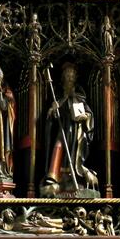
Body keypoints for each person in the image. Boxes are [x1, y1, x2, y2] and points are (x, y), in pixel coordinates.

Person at [42, 63, 95, 196]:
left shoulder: (80, 94)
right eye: (67, 75)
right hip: (62, 128)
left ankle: (73, 177)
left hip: (76, 130)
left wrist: (85, 116)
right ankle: (54, 176)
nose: (70, 77)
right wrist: (54, 110)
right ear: (63, 77)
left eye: (72, 75)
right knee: (58, 146)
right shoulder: (58, 94)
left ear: (75, 77)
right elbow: (51, 116)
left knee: (75, 151)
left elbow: (88, 113)